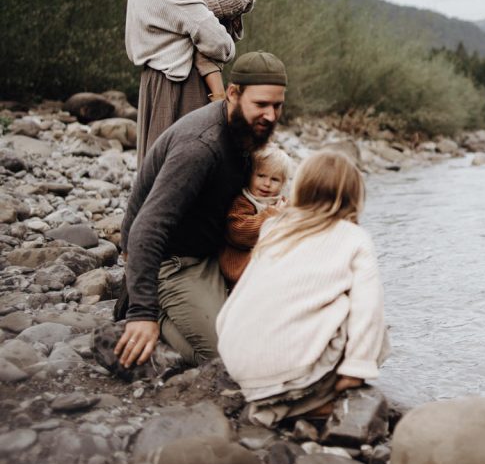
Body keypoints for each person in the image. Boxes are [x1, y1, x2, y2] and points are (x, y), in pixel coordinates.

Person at [114, 51, 287, 369]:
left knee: (276, 333)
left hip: (214, 254)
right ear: (233, 93)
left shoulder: (243, 129)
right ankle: (153, 313)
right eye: (261, 104)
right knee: (232, 360)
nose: (271, 116)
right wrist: (142, 312)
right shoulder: (201, 145)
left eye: (277, 106)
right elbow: (147, 226)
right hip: (173, 264)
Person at [216, 150, 389, 427]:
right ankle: (314, 401)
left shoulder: (273, 226)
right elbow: (368, 309)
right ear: (354, 197)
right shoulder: (355, 238)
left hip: (237, 360)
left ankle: (272, 400)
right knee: (367, 316)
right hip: (289, 370)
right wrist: (356, 369)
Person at [125, 0, 236, 167]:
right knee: (187, 173)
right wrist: (231, 47)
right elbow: (218, 43)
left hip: (153, 84)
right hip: (180, 87)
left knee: (159, 173)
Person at [219, 145, 294, 289]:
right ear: (250, 176)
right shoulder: (243, 202)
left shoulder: (283, 204)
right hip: (241, 270)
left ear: (283, 183)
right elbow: (238, 232)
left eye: (275, 179)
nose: (267, 184)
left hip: (271, 266)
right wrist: (270, 215)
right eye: (261, 176)